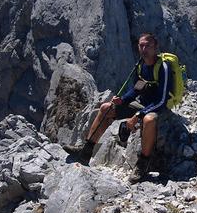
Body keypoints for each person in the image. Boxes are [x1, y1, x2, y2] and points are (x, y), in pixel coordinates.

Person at [66, 33, 172, 183]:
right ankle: (86, 150)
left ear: (155, 47)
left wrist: (138, 116)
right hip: (142, 105)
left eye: (148, 45)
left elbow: (162, 100)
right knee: (106, 108)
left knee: (148, 120)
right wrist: (122, 100)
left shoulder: (163, 67)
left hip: (159, 108)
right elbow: (136, 89)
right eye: (141, 45)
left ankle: (143, 164)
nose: (144, 49)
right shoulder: (141, 65)